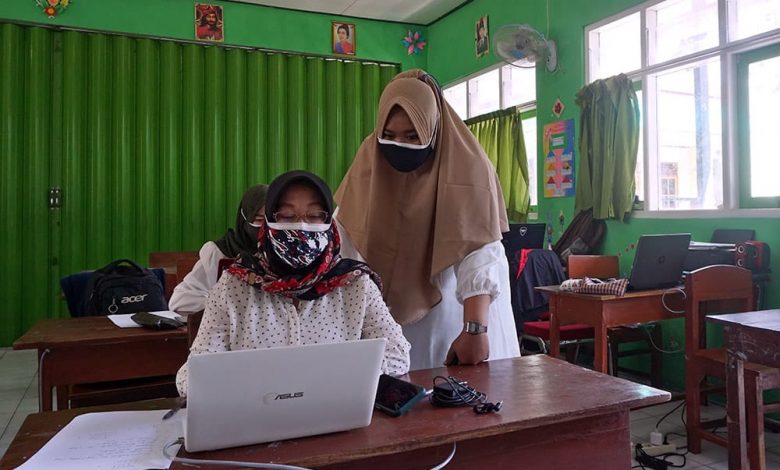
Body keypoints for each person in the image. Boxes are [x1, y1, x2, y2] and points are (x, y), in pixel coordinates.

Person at [335, 69, 520, 371]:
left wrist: (474, 329)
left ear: (433, 128)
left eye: (412, 136)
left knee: (449, 390)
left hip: (453, 313)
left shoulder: (467, 168)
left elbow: (479, 252)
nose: (399, 145)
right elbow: (344, 240)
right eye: (389, 135)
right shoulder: (369, 165)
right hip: (379, 320)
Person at [176, 171, 410, 396]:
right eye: (287, 216)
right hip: (255, 417)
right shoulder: (234, 286)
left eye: (314, 215)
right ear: (268, 223)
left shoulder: (355, 285)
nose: (301, 225)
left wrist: (333, 379)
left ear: (329, 222)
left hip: (335, 414)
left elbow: (397, 355)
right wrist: (254, 387)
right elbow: (191, 376)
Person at [169, 184, 268, 312]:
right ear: (244, 219)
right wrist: (230, 305)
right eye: (259, 220)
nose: (266, 228)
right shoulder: (220, 252)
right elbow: (180, 301)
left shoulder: (288, 254)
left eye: (273, 220)